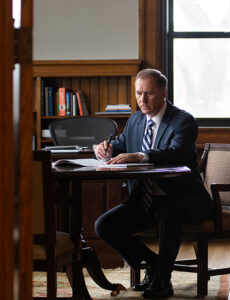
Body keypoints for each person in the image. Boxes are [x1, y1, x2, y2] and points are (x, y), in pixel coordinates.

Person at [94, 68, 214, 298]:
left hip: (186, 199)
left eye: (148, 93)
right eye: (138, 93)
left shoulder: (183, 121)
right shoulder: (135, 120)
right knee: (104, 226)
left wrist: (141, 156)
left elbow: (176, 152)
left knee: (169, 209)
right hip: (146, 200)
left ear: (162, 91)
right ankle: (156, 265)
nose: (142, 100)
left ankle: (161, 279)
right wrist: (103, 151)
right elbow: (118, 147)